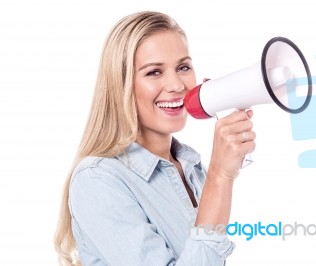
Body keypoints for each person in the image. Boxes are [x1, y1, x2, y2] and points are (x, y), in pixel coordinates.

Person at [54, 10, 256, 266]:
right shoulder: (97, 180)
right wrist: (220, 176)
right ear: (122, 84)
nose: (176, 85)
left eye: (183, 67)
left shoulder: (192, 169)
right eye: (154, 72)